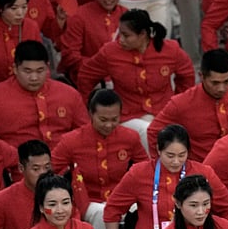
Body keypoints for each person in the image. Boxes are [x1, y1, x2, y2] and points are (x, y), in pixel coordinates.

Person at [104, 125, 228, 229]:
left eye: (182, 155)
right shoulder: (139, 173)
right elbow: (112, 209)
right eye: (170, 155)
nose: (176, 161)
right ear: (158, 150)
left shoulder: (203, 173)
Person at [78, 9, 194, 149]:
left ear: (143, 34)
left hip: (164, 111)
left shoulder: (170, 50)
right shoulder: (110, 53)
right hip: (129, 115)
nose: (121, 40)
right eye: (120, 34)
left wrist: (177, 103)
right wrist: (91, 109)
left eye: (126, 36)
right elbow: (85, 76)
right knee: (148, 131)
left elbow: (187, 75)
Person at [51, 89, 145, 229]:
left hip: (123, 199)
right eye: (103, 119)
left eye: (114, 119)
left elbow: (145, 169)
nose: (109, 125)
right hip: (89, 201)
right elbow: (51, 170)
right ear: (90, 114)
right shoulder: (71, 141)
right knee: (102, 214)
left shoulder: (130, 137)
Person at [0, 39, 90, 148]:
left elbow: (85, 134)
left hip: (63, 163)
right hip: (15, 164)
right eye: (27, 71)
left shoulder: (69, 94)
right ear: (15, 69)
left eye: (40, 71)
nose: (34, 78)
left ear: (47, 68)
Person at [146, 49, 228, 160]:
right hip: (199, 169)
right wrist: (162, 166)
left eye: (227, 81)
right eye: (215, 83)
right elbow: (154, 131)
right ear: (201, 76)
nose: (221, 88)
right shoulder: (182, 103)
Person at [58, 0, 127, 84]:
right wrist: (98, 69)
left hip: (121, 78)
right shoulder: (79, 15)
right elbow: (70, 55)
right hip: (87, 79)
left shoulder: (126, 15)